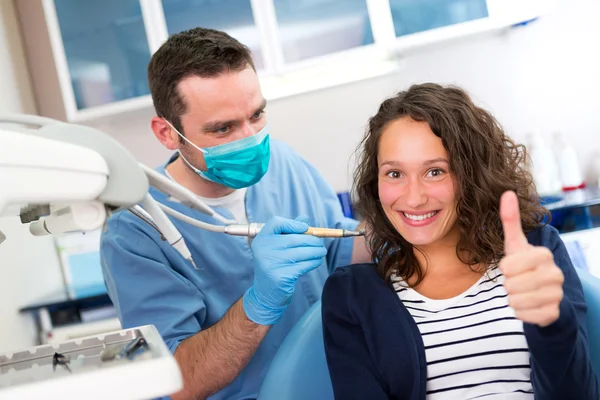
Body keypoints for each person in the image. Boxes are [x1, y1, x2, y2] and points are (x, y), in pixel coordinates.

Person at [100, 27, 369, 400]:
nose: (250, 138)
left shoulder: (285, 164)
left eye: (257, 115)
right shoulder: (136, 230)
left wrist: (403, 231)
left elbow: (338, 247)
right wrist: (259, 304)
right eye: (223, 128)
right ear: (167, 133)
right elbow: (178, 381)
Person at [322, 83, 599, 399]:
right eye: (395, 174)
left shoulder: (534, 251)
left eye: (435, 172)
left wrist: (552, 323)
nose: (413, 198)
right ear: (376, 182)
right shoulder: (351, 296)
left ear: (471, 173)